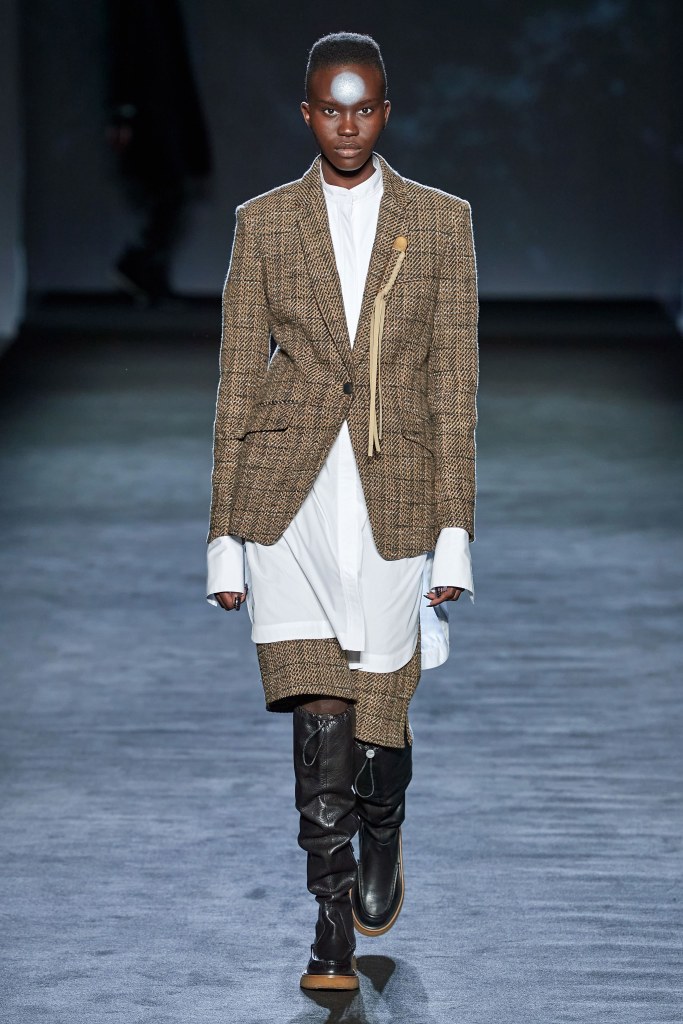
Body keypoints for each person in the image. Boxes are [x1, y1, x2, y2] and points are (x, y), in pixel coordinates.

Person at [206, 32, 478, 991]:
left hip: (394, 494)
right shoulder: (264, 223)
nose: (347, 125)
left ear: (385, 113)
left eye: (363, 108)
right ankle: (329, 929)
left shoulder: (440, 223)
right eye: (331, 108)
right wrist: (224, 537)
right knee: (318, 709)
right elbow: (238, 382)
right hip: (288, 500)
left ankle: (383, 824)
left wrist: (455, 530)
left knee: (377, 714)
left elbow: (452, 387)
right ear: (307, 113)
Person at [106, 0, 212, 303]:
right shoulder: (140, 14)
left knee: (171, 192)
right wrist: (123, 112)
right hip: (153, 108)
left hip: (162, 105)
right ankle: (140, 266)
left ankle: (144, 267)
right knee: (169, 191)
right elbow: (126, 51)